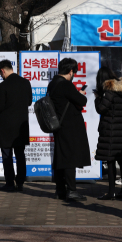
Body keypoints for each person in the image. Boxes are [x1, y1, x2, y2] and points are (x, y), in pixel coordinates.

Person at [48, 58, 91, 202]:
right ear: (71, 71)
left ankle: (60, 189)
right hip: (70, 125)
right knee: (70, 158)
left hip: (58, 124)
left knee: (60, 156)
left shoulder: (53, 83)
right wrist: (81, 95)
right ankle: (71, 190)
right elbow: (81, 101)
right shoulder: (66, 85)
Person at [0, 59, 32, 192]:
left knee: (7, 155)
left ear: (3, 71)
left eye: (0, 74)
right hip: (21, 125)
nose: (1, 76)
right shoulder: (25, 82)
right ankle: (20, 182)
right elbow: (29, 102)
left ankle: (10, 183)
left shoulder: (3, 86)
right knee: (20, 155)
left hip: (6, 126)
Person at [94, 67, 122, 200]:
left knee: (110, 161)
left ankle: (111, 192)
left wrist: (97, 99)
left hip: (110, 130)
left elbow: (101, 109)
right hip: (121, 129)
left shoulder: (109, 92)